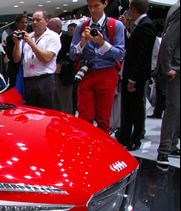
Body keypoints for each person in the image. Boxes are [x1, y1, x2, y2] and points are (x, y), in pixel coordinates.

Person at [69, 0, 126, 134]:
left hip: (107, 74)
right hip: (86, 73)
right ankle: (85, 149)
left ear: (105, 3)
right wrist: (82, 43)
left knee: (103, 118)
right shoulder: (82, 27)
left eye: (96, 6)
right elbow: (72, 54)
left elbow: (119, 54)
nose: (93, 10)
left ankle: (102, 152)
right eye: (90, 6)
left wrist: (102, 42)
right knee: (84, 117)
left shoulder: (115, 25)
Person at [118, 0, 157, 151]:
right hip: (130, 74)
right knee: (127, 107)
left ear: (133, 8)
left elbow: (143, 55)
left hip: (136, 77)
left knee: (136, 109)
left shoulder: (145, 25)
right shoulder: (138, 25)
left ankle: (135, 138)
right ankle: (125, 137)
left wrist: (133, 79)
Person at [12, 10, 61, 109]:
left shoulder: (52, 36)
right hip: (29, 81)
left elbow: (46, 58)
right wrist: (17, 44)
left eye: (38, 20)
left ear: (46, 21)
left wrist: (31, 43)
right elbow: (16, 59)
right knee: (32, 113)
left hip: (45, 80)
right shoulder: (27, 36)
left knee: (46, 113)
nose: (34, 23)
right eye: (33, 20)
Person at [156, 0, 180, 167]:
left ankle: (170, 146)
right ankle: (164, 150)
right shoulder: (179, 9)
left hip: (176, 67)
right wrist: (167, 67)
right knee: (174, 108)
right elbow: (168, 40)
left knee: (177, 108)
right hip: (176, 70)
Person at [48, 17, 76, 114]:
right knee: (56, 100)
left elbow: (72, 54)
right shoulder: (49, 38)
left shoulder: (67, 36)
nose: (48, 28)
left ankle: (68, 122)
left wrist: (62, 63)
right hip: (53, 73)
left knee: (66, 101)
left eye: (50, 26)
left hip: (65, 73)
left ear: (58, 26)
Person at [5, 13, 29, 97]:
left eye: (26, 22)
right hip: (15, 71)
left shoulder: (30, 36)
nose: (24, 24)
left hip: (28, 71)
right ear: (17, 23)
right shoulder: (11, 38)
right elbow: (11, 57)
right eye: (22, 22)